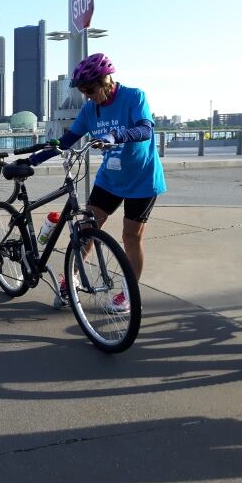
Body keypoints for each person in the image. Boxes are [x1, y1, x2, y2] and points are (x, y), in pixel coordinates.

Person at [29, 53, 166, 312]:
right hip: (109, 179)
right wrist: (34, 160)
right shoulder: (90, 109)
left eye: (90, 90)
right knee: (86, 229)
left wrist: (117, 135)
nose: (88, 96)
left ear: (107, 80)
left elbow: (146, 129)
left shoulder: (134, 96)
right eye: (83, 92)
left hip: (142, 178)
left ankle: (128, 293)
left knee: (130, 236)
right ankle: (73, 278)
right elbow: (68, 140)